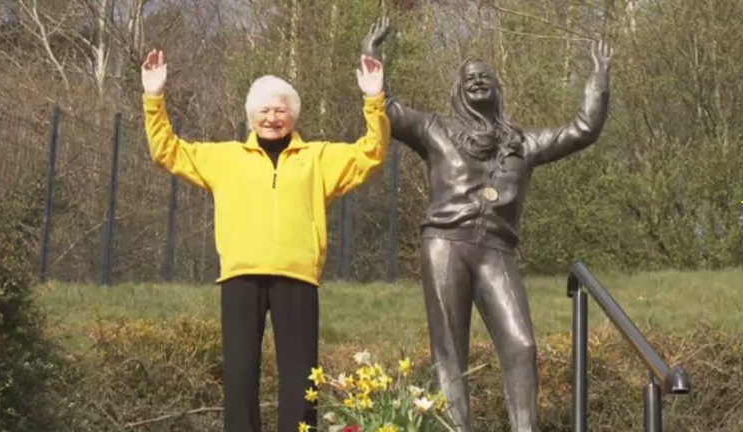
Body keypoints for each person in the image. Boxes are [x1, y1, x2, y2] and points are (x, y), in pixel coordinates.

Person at [362, 17, 613, 432]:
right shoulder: (434, 129)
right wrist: (371, 53)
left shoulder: (523, 143)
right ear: (458, 90)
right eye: (469, 78)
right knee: (450, 352)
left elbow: (582, 130)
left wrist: (599, 81)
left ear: (498, 88)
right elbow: (386, 109)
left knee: (521, 345)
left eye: (485, 77)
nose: (477, 81)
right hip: (445, 244)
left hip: (497, 250)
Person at [140, 49, 389, 432]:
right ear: (251, 117)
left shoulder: (318, 158)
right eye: (264, 111)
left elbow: (371, 153)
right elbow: (167, 150)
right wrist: (154, 98)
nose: (272, 118)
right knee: (239, 378)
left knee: (301, 380)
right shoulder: (225, 158)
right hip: (241, 277)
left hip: (298, 278)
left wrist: (374, 100)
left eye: (280, 110)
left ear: (293, 115)